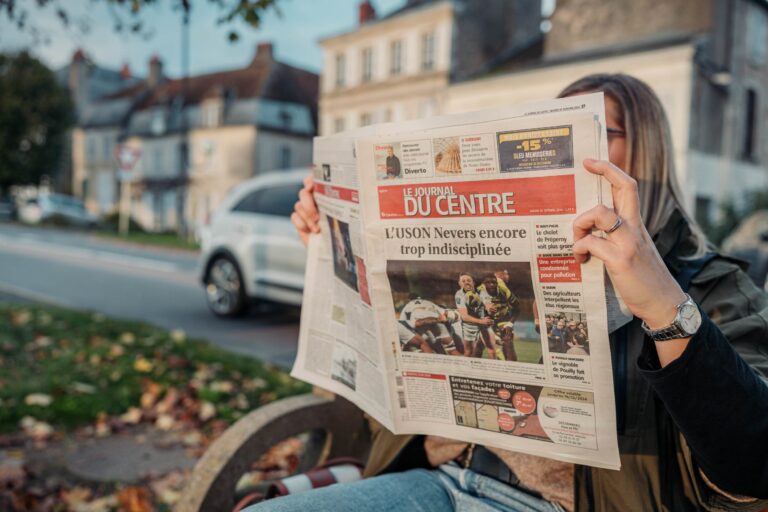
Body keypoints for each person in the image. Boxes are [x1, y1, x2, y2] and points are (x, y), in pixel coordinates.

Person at [272, 74, 768, 511]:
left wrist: (663, 306)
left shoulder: (713, 286)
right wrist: (331, 247)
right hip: (437, 481)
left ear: (646, 150)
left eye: (590, 128)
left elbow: (754, 463)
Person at [454, 273, 501, 359]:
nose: (466, 282)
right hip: (469, 325)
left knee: (491, 349)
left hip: (483, 323)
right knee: (468, 352)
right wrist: (481, 321)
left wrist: (490, 308)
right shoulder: (459, 295)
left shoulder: (481, 291)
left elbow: (488, 303)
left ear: (473, 283)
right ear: (459, 284)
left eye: (469, 280)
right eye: (463, 281)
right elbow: (464, 316)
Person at [478, 273, 520, 361]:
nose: (491, 285)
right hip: (486, 318)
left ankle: (512, 367)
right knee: (479, 344)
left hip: (503, 316)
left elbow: (517, 308)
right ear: (484, 284)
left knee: (507, 340)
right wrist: (485, 307)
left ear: (497, 283)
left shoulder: (504, 291)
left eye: (494, 282)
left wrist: (510, 324)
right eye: (488, 283)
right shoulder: (478, 292)